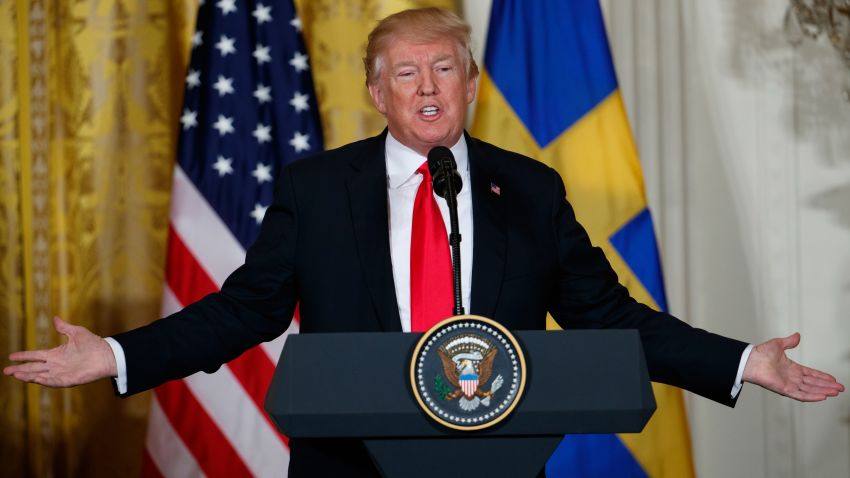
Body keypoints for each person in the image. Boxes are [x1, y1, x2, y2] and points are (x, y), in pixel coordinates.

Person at [4, 7, 843, 477]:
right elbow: (243, 311)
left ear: (472, 84)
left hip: (493, 467)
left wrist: (740, 363)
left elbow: (608, 315)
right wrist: (116, 357)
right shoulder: (317, 191)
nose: (428, 86)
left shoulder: (532, 189)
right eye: (406, 72)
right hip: (348, 472)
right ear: (377, 91)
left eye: (444, 68)